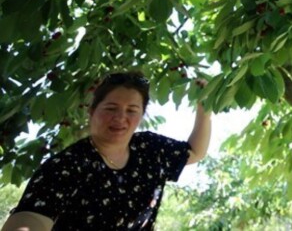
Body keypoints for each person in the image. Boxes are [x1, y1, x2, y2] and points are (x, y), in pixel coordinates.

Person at [2, 71, 212, 231]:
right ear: (92, 111)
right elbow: (30, 219)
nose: (120, 118)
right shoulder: (66, 165)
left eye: (132, 110)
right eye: (111, 108)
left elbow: (194, 152)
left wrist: (205, 111)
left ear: (141, 116)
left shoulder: (151, 149)